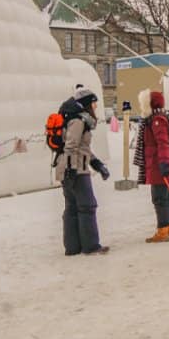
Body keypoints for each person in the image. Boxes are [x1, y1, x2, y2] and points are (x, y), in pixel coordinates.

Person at [56, 87, 110, 256]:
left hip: (70, 168)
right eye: (93, 103)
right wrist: (72, 171)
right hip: (75, 170)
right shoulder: (78, 121)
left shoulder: (76, 120)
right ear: (86, 104)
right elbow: (71, 146)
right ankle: (91, 245)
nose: (95, 107)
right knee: (87, 206)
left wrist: (97, 164)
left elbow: (82, 148)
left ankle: (72, 247)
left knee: (72, 208)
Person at [136, 90, 169, 243]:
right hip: (167, 165)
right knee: (168, 197)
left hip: (161, 165)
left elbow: (163, 143)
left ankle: (163, 231)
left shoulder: (157, 120)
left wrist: (163, 163)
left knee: (160, 199)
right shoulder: (163, 117)